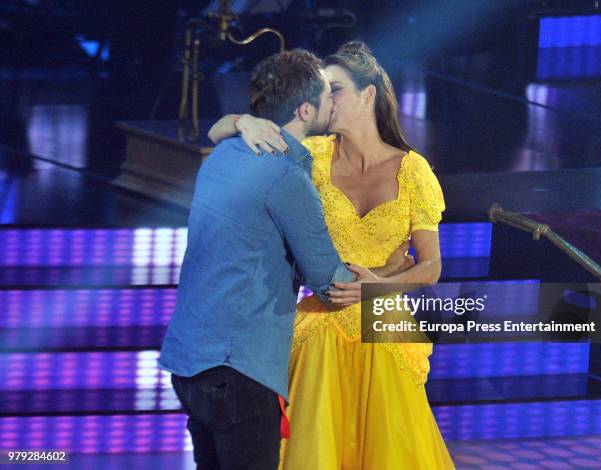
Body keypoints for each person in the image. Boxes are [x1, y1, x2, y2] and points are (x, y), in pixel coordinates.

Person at [208, 41, 455, 469]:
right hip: (319, 328)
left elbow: (430, 266)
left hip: (384, 331)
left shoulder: (413, 171)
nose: (323, 99)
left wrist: (380, 284)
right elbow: (215, 134)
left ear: (368, 95)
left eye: (334, 88)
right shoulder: (312, 157)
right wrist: (244, 121)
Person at [158, 49, 407, 470]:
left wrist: (239, 122)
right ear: (306, 109)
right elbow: (331, 286)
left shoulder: (224, 155)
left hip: (189, 363)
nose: (334, 102)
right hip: (237, 372)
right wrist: (391, 272)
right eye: (329, 94)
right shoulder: (285, 178)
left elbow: (220, 133)